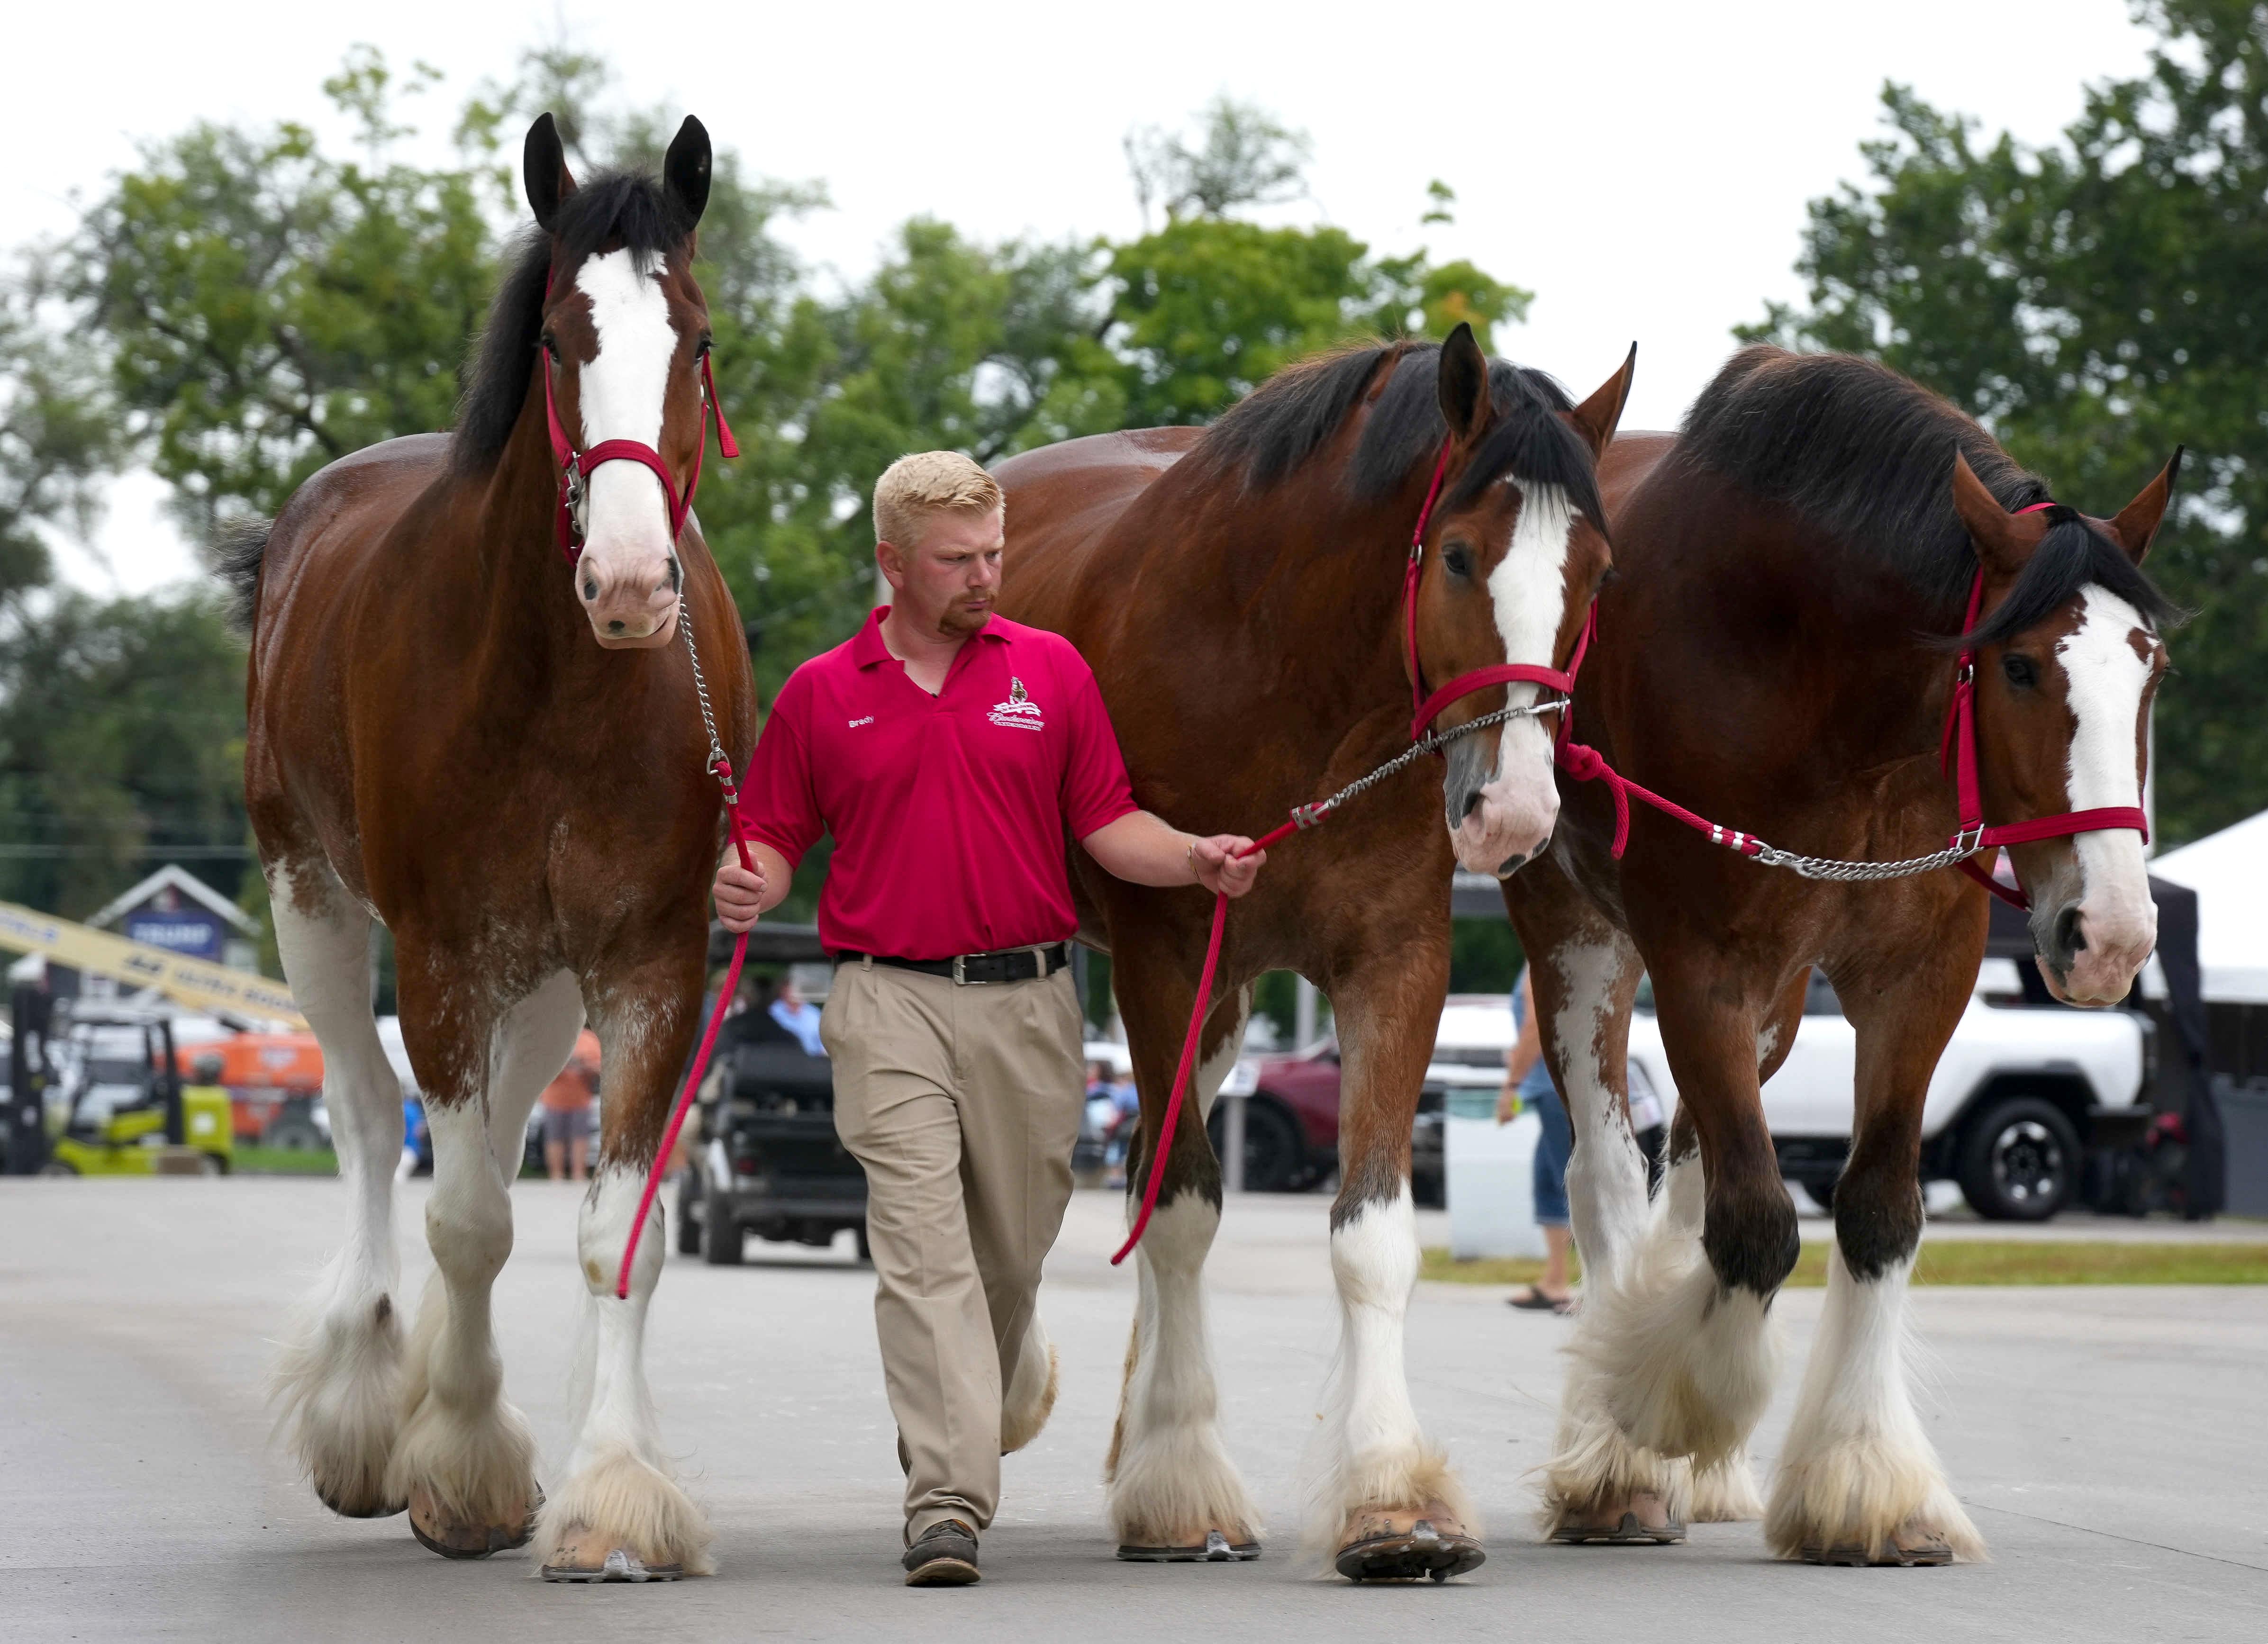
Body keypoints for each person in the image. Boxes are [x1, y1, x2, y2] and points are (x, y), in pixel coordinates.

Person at [712, 450, 1265, 1587]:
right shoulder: (825, 690)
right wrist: (748, 878)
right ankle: (946, 1504)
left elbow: (1108, 823)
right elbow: (769, 834)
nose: (985, 577)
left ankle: (995, 1376)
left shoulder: (1051, 672)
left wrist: (1196, 857)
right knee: (923, 1257)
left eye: (994, 554)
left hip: (1028, 1003)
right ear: (892, 564)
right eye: (958, 560)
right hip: (885, 1000)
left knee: (1008, 1255)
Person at [1498, 964, 1574, 1312]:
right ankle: (1556, 1281)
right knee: (1548, 1182)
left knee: (1572, 1186)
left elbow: (1536, 1026)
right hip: (1551, 1089)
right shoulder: (1540, 960)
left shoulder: (1538, 968)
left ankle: (1603, 1288)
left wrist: (1512, 1086)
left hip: (1556, 1089)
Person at [541, 1034, 598, 1182]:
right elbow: (542, 1068)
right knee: (554, 1137)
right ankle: (556, 1175)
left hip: (581, 1101)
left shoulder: (589, 1039)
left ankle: (578, 1174)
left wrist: (584, 1066)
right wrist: (563, 1065)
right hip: (553, 1100)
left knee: (580, 1137)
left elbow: (599, 1067)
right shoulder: (553, 1038)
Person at [769, 973, 825, 1057]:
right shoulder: (773, 1012)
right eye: (793, 988)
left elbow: (824, 1045)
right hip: (782, 1062)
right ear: (784, 990)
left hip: (812, 1063)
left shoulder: (814, 1013)